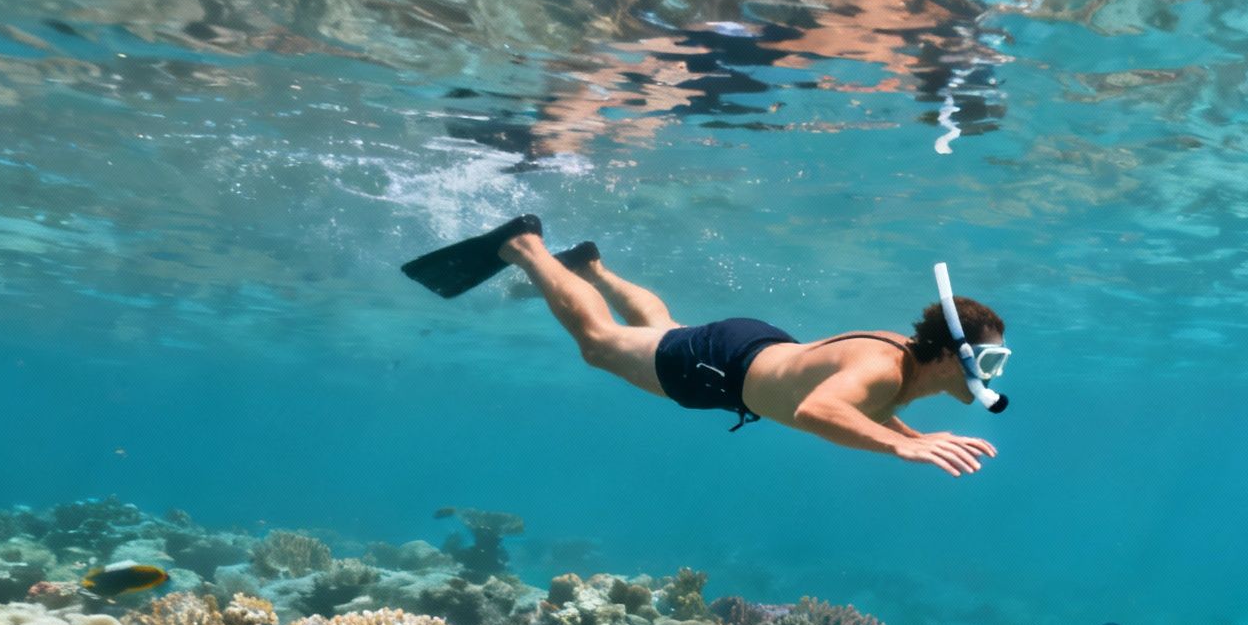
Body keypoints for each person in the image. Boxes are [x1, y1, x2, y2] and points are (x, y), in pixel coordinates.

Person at [398, 215, 1006, 477]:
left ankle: (593, 269)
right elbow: (818, 411)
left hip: (748, 346)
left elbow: (854, 401)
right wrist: (902, 450)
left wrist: (915, 436)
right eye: (989, 359)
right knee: (600, 342)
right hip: (723, 367)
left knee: (662, 331)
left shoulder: (900, 361)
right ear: (950, 355)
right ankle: (524, 246)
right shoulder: (882, 369)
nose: (993, 373)